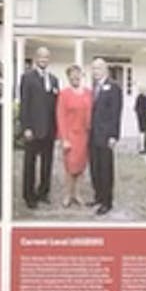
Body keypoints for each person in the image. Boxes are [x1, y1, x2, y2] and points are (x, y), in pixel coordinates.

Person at [19, 46, 59, 209]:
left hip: (49, 129)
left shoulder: (54, 79)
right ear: (36, 58)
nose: (44, 60)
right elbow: (24, 104)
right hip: (33, 129)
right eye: (41, 57)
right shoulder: (27, 77)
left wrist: (57, 129)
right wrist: (26, 127)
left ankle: (43, 192)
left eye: (47, 57)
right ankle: (29, 196)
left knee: (47, 163)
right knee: (30, 163)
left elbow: (56, 106)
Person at [88, 58, 122, 216]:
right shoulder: (94, 87)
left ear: (106, 70)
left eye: (99, 68)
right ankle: (98, 197)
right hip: (92, 135)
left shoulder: (114, 87)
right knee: (95, 168)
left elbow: (116, 113)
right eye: (94, 68)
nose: (96, 71)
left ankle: (107, 202)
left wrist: (114, 136)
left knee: (106, 169)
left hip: (106, 136)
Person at [56, 64, 92, 208]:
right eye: (72, 75)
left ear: (81, 76)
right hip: (70, 136)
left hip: (84, 136)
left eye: (78, 74)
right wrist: (64, 139)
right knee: (70, 168)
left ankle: (78, 194)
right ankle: (68, 195)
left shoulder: (89, 93)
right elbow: (61, 117)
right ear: (69, 77)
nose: (75, 77)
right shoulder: (64, 94)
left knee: (81, 167)